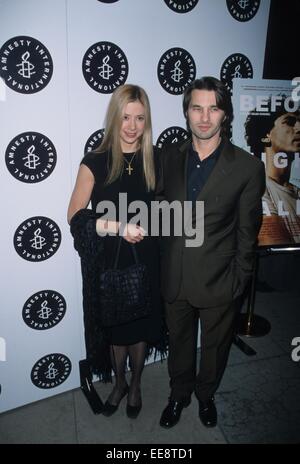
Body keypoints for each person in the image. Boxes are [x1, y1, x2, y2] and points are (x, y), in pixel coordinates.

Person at [157, 76, 265, 428]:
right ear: (186, 113)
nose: (204, 117)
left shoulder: (248, 167)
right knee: (180, 343)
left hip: (220, 280)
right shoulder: (167, 157)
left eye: (213, 108)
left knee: (215, 349)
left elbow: (248, 232)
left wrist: (239, 279)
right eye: (196, 108)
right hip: (174, 276)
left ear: (225, 114)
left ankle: (206, 396)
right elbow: (161, 208)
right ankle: (179, 393)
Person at [67, 84, 166, 419]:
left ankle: (135, 385)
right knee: (116, 331)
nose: (132, 125)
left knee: (140, 327)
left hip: (147, 257)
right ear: (114, 117)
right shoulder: (95, 160)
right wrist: (119, 226)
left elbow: (165, 207)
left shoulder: (154, 158)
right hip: (110, 260)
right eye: (125, 116)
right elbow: (75, 215)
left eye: (139, 118)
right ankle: (119, 383)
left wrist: (159, 222)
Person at [245, 100, 300, 245]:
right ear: (267, 134)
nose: (299, 127)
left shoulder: (296, 191)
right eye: (289, 122)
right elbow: (275, 245)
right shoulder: (257, 188)